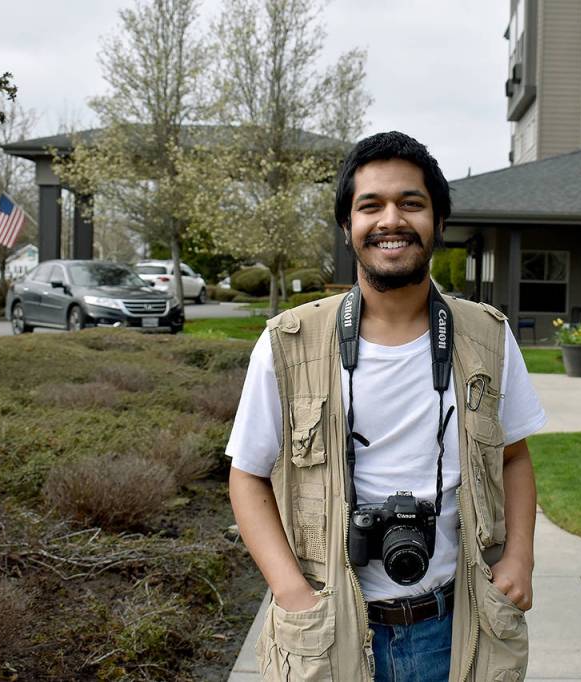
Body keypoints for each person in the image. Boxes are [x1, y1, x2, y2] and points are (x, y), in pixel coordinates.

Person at [227, 131, 545, 682]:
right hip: (331, 631)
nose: (391, 220)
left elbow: (514, 457)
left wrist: (520, 555)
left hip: (458, 625)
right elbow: (247, 475)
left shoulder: (486, 337)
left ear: (438, 223)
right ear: (348, 228)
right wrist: (291, 591)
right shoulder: (290, 341)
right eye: (370, 205)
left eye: (411, 203)